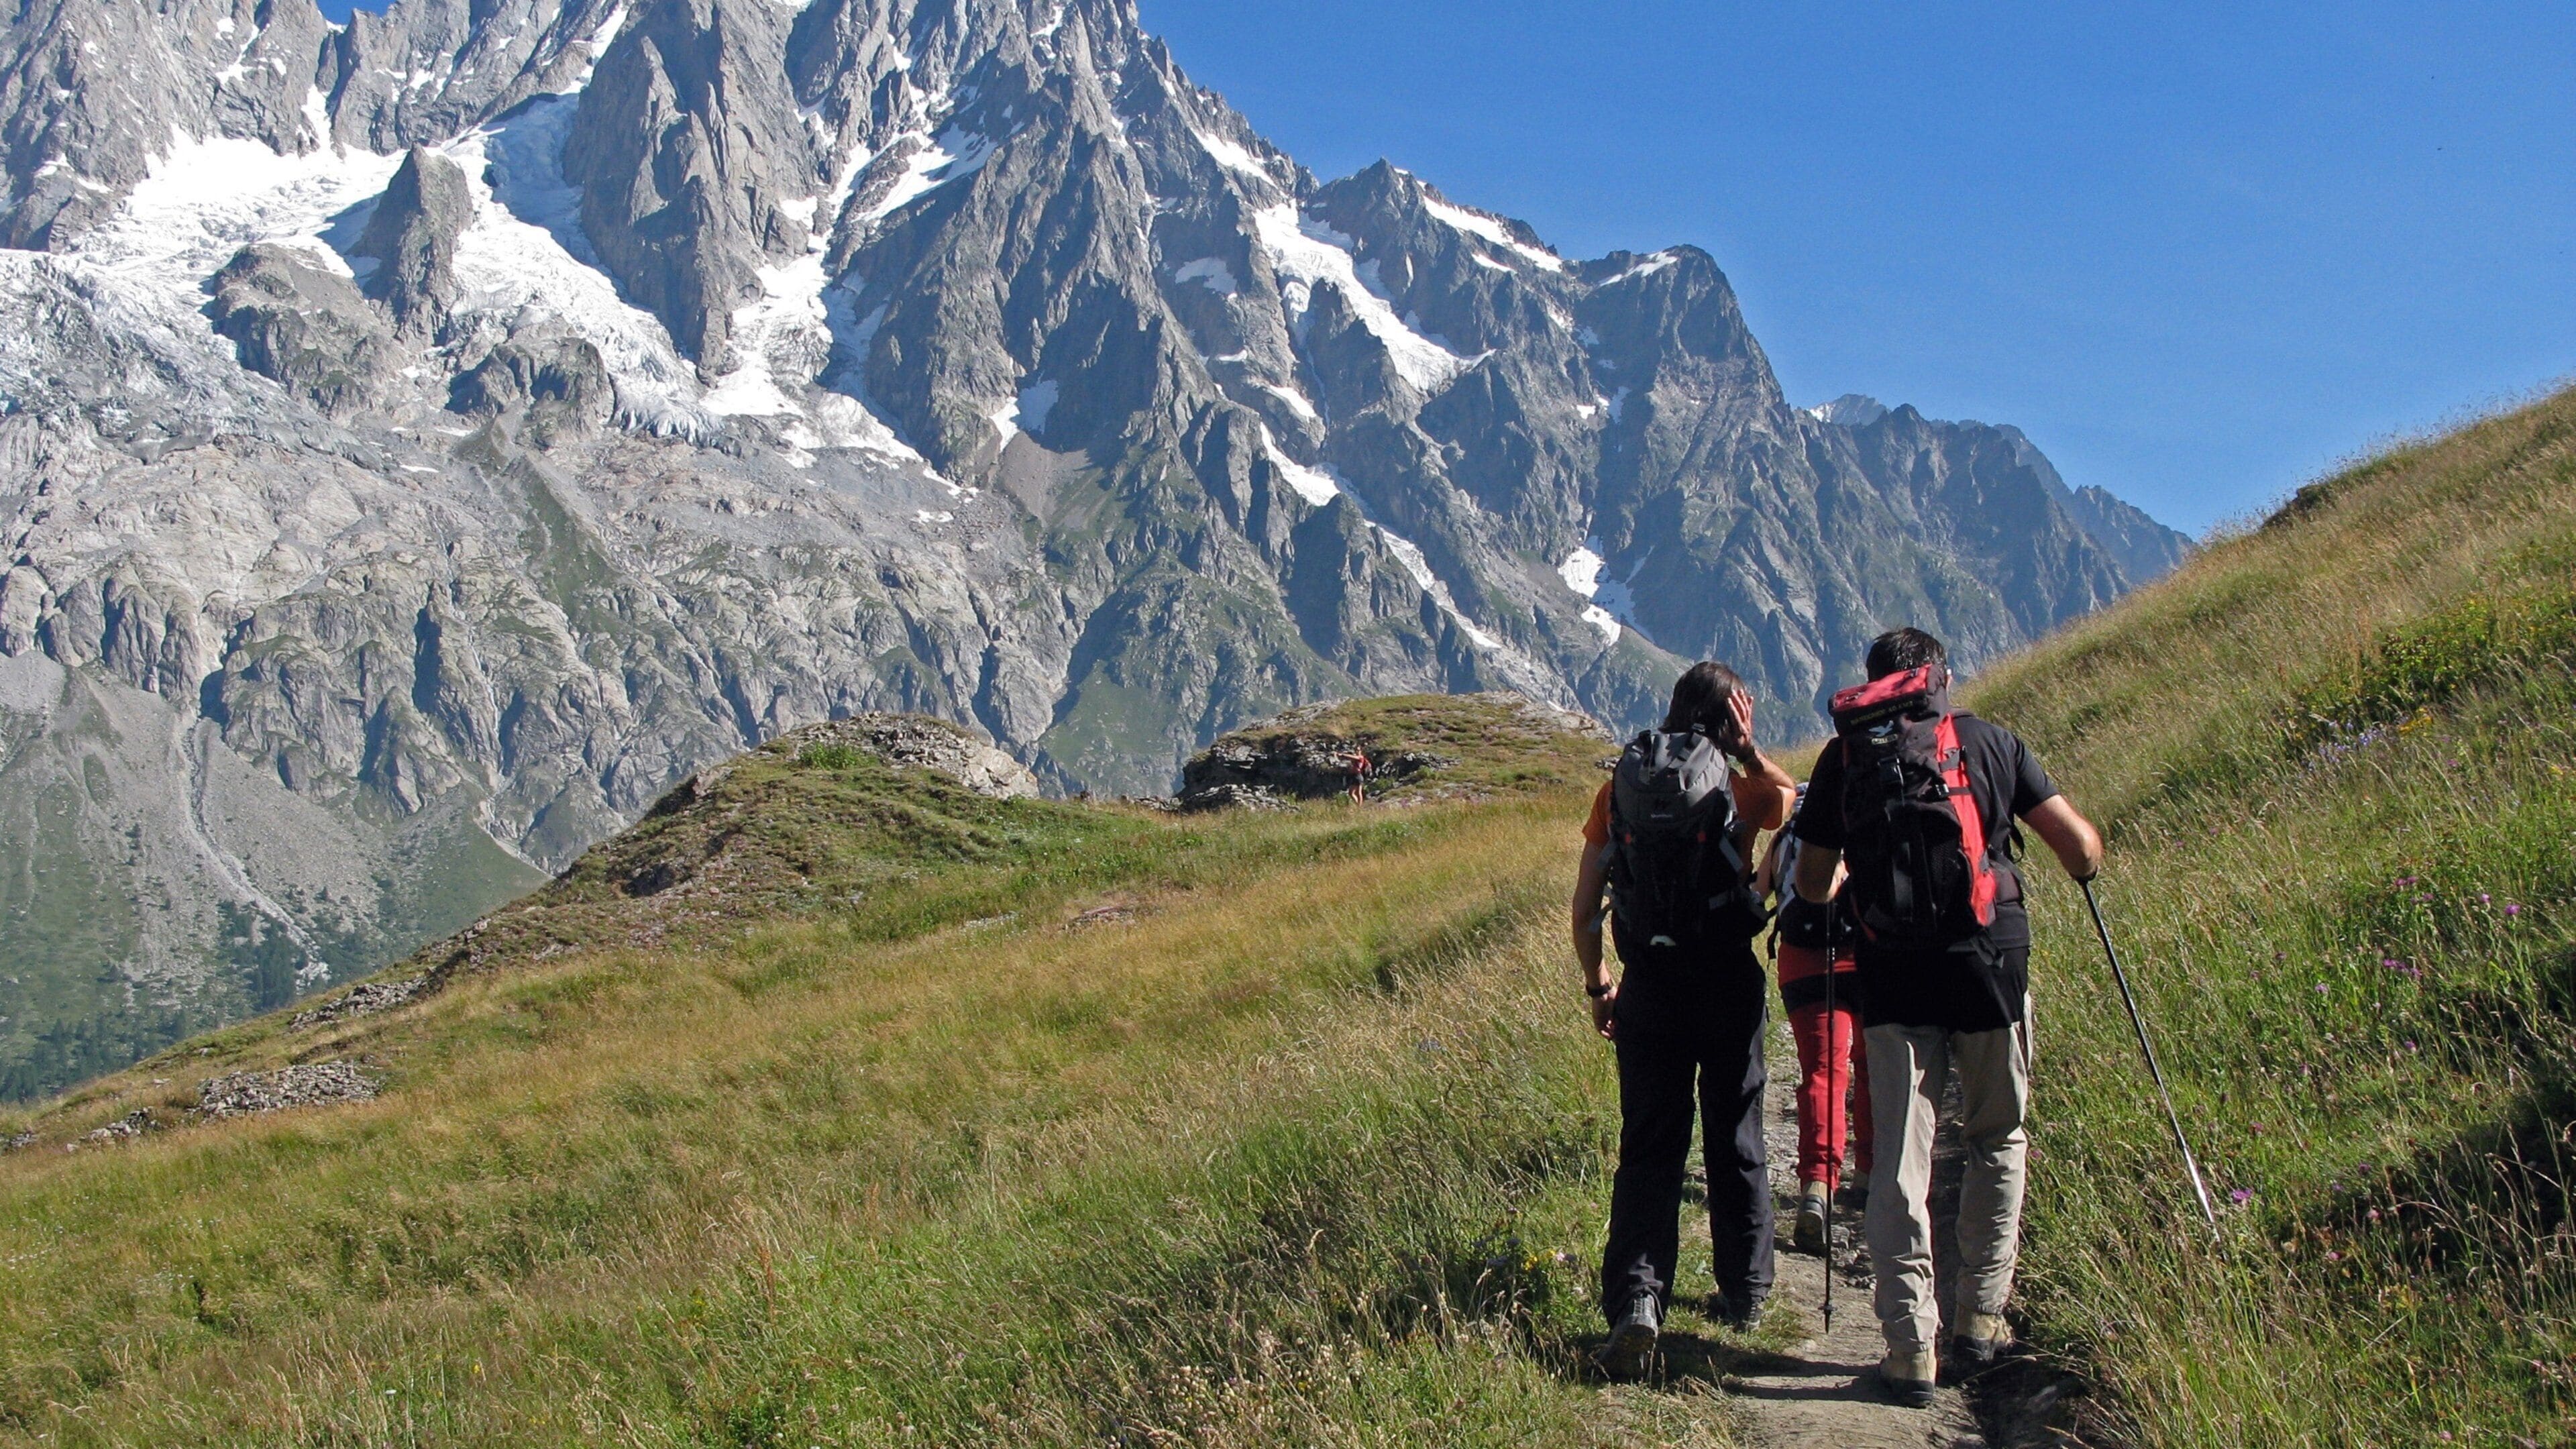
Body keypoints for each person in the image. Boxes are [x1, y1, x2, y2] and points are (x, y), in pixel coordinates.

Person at [1792, 628, 2102, 1407]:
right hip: (1991, 965)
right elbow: (2078, 849)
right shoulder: (1989, 742)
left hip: (1894, 977)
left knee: (1899, 1158)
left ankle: (1908, 1350)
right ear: (1939, 677)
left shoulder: (1844, 762)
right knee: (1999, 1136)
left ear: (1870, 689)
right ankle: (1980, 1321)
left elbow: (1812, 882)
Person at [1570, 662, 1799, 1378]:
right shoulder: (1738, 787)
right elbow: (1788, 801)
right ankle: (1747, 1291)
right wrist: (1748, 749)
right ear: (1730, 714)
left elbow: (1585, 910)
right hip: (1727, 981)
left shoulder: (1621, 790)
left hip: (1651, 991)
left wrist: (1599, 985)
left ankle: (1639, 1299)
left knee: (1648, 1148)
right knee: (1735, 1130)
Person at [1754, 786, 1869, 1254]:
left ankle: (1817, 1186)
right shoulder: (1857, 829)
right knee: (1870, 1066)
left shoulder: (1784, 840)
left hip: (1803, 966)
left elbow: (1754, 895)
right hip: (1864, 958)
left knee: (1824, 1072)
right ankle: (1869, 1175)